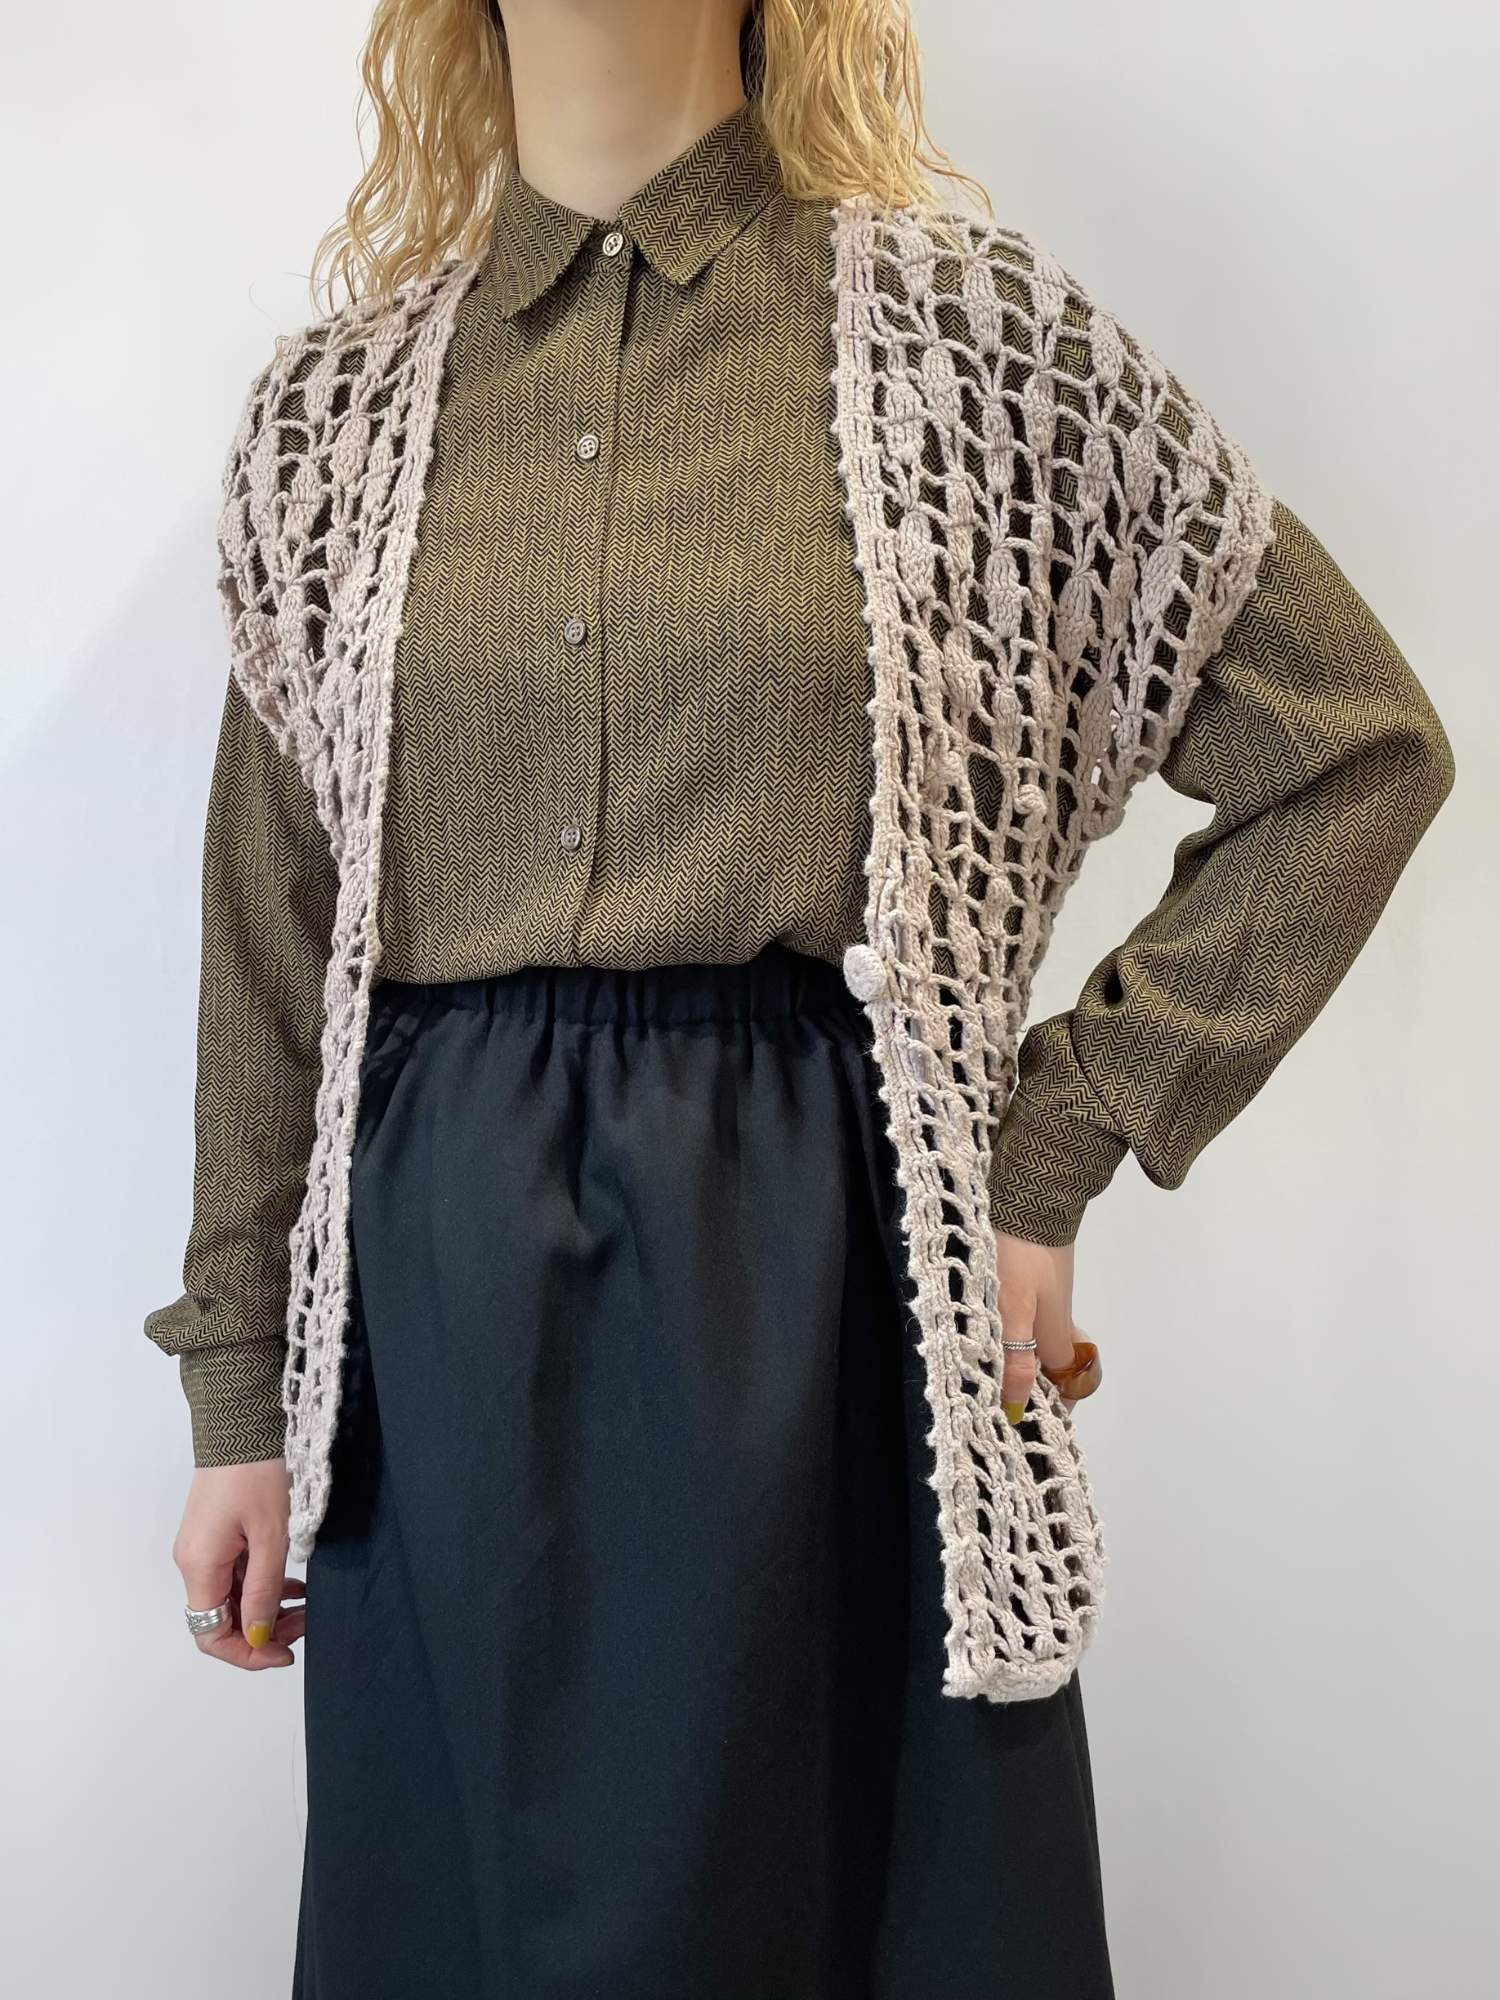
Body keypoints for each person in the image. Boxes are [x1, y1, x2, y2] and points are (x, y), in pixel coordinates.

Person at [143, 2, 1456, 1994]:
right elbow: (271, 937)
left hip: (826, 1296)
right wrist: (239, 1394)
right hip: (442, 1318)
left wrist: (1057, 1143)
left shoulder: (975, 355)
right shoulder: (334, 417)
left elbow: (1351, 746)